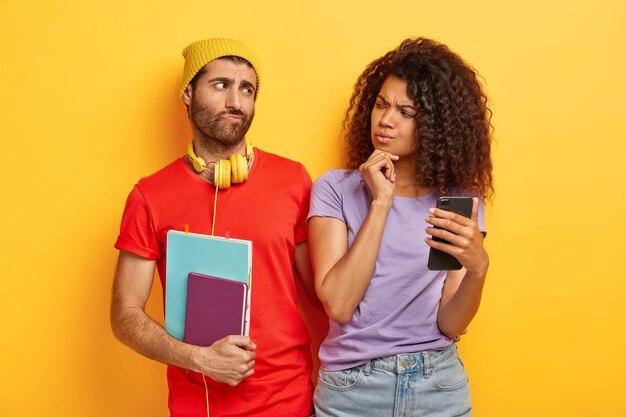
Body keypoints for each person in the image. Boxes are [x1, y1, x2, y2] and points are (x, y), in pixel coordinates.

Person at [111, 37, 317, 417]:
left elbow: (324, 294)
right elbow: (125, 316)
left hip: (289, 402)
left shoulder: (294, 180)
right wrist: (200, 359)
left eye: (247, 89)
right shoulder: (149, 195)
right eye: (221, 85)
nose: (236, 102)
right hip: (197, 406)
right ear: (188, 93)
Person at [308, 37, 494, 416]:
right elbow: (339, 304)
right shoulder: (335, 189)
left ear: (436, 125)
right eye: (381, 104)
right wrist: (381, 202)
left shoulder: (456, 202)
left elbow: (450, 322)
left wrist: (478, 268)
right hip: (353, 388)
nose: (386, 119)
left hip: (437, 384)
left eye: (406, 111)